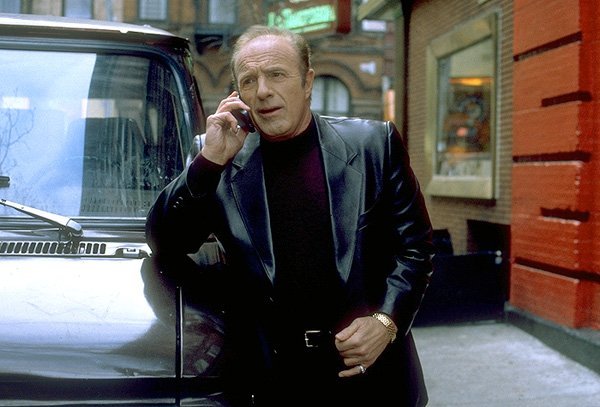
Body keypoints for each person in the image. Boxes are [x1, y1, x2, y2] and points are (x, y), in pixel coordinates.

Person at [146, 25, 434, 407]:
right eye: (249, 80)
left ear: (307, 81)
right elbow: (166, 244)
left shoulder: (373, 146)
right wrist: (210, 162)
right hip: (270, 379)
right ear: (238, 94)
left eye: (277, 74)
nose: (263, 91)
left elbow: (416, 248)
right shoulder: (220, 154)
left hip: (370, 375)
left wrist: (386, 320)